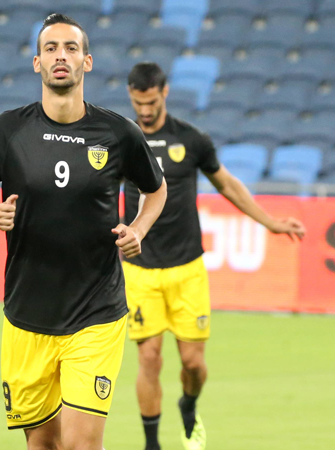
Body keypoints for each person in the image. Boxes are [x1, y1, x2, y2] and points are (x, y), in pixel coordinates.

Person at [0, 14, 167, 450]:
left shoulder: (117, 133)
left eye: (71, 48)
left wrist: (139, 229)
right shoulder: (7, 130)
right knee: (43, 445)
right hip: (27, 315)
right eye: (50, 48)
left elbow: (157, 189)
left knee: (80, 445)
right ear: (37, 62)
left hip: (96, 313)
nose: (60, 56)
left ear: (87, 61)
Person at [123, 62, 306, 450]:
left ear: (165, 93)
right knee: (149, 358)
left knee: (193, 364)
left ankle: (188, 403)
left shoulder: (191, 140)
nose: (145, 111)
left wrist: (270, 222)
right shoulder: (123, 140)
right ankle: (152, 444)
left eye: (151, 102)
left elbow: (227, 185)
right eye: (139, 103)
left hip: (187, 269)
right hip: (140, 269)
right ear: (131, 97)